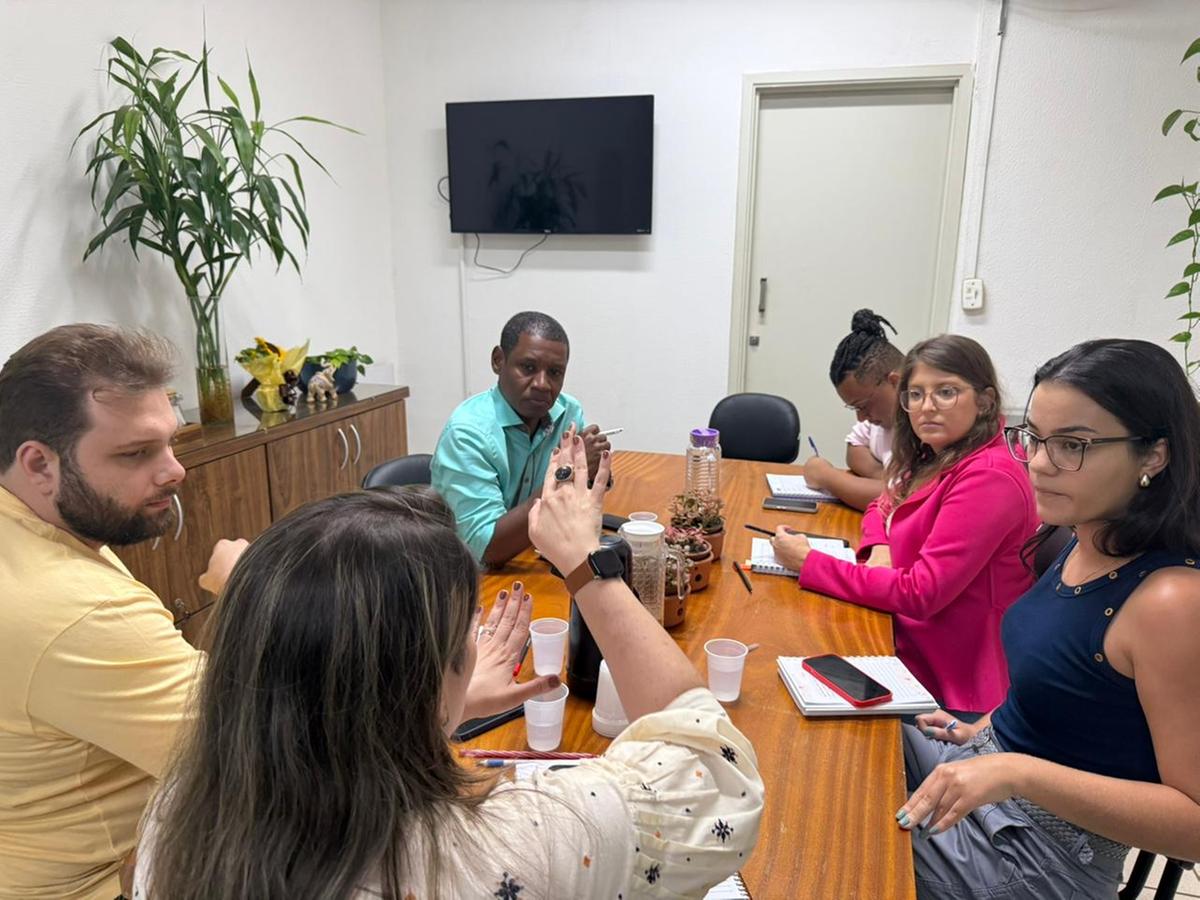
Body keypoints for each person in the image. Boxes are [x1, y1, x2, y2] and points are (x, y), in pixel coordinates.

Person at [134, 436, 763, 898]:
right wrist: (582, 560)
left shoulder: (176, 821)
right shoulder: (523, 840)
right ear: (424, 680)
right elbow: (715, 773)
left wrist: (440, 712)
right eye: (468, 635)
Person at [897, 339, 1200, 899]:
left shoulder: (1171, 601)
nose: (1038, 462)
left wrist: (1016, 771)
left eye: (1072, 445)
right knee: (843, 735)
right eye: (1034, 437)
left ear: (1154, 455)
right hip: (990, 778)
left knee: (835, 843)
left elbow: (1194, 823)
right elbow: (1073, 693)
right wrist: (987, 728)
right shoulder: (1090, 533)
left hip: (1043, 858)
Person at [0, 324, 244, 899]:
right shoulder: (78, 609)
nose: (175, 470)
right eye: (136, 453)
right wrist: (244, 598)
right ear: (38, 463)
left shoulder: (39, 530)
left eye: (171, 442)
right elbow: (271, 764)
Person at [772, 335, 1038, 716]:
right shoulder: (938, 453)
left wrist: (810, 563)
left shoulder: (989, 476)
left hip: (949, 682)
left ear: (985, 400)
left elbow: (921, 594)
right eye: (915, 395)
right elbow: (881, 506)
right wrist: (881, 548)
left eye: (945, 392)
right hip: (904, 640)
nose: (926, 407)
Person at [432, 310, 610, 565]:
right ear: (498, 361)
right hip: (471, 578)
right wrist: (567, 472)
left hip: (533, 557)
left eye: (555, 373)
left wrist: (594, 472)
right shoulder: (467, 435)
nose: (542, 384)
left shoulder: (568, 413)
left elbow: (575, 507)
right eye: (528, 367)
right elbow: (487, 549)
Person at [801, 309, 904, 511]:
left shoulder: (926, 426)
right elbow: (854, 447)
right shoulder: (883, 418)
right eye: (855, 408)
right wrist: (884, 478)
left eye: (864, 405)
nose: (861, 417)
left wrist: (826, 475)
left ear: (895, 382)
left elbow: (898, 500)